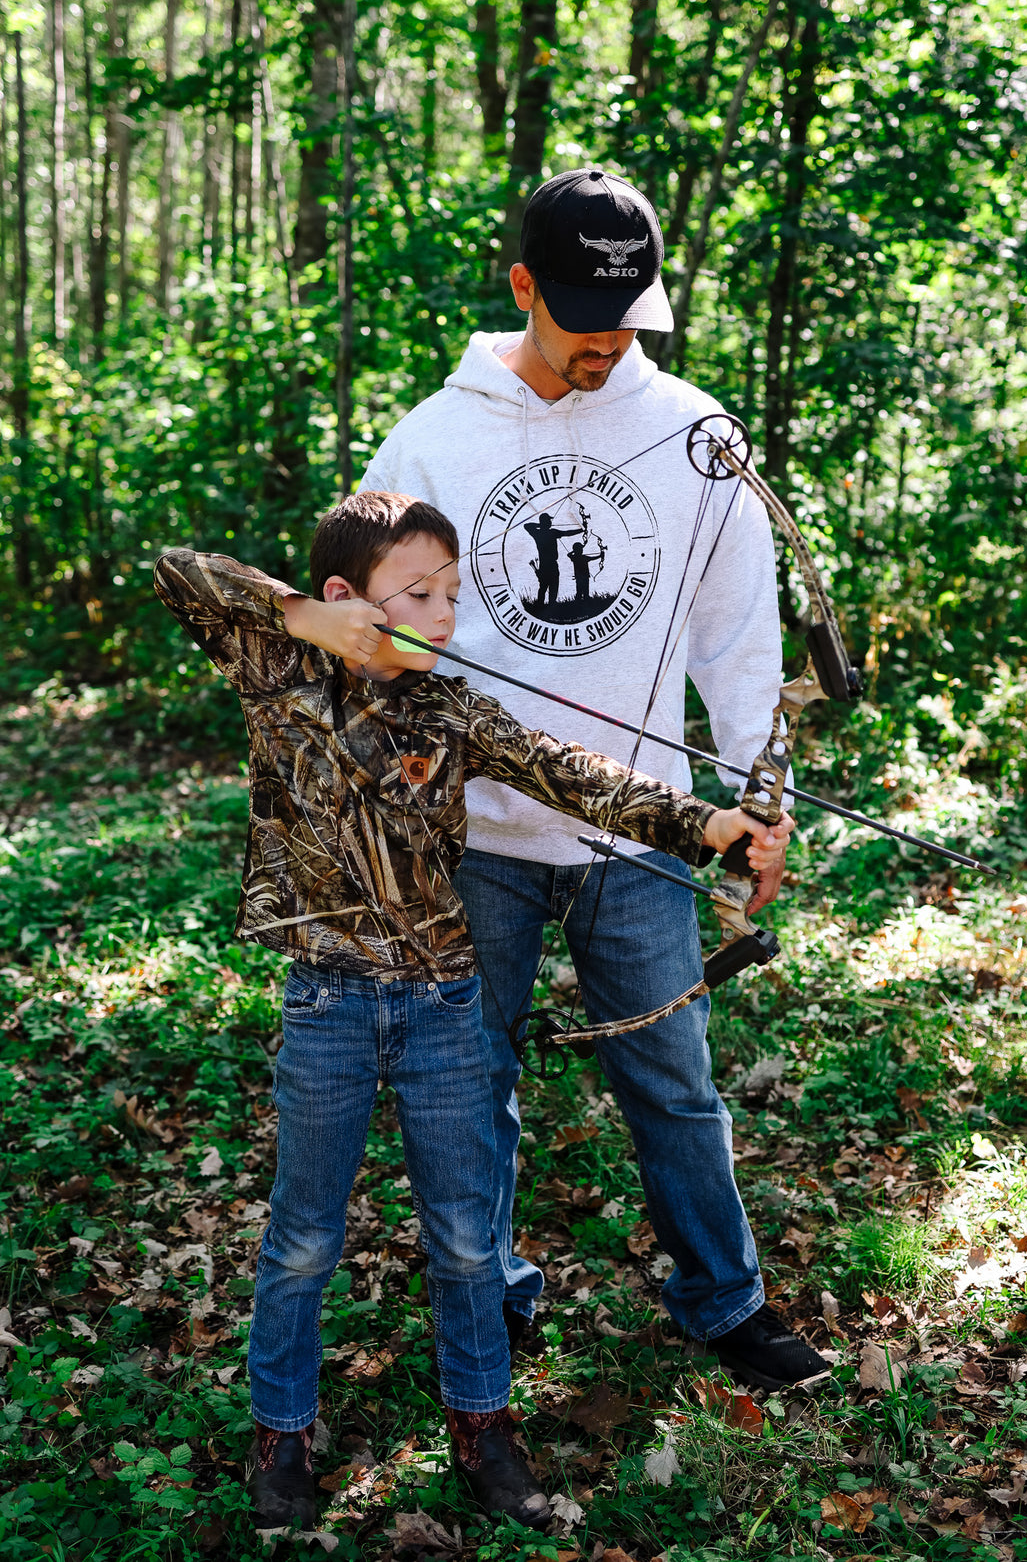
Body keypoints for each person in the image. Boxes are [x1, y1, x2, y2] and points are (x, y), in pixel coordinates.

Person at [154, 491, 793, 1537]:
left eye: (452, 593)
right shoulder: (279, 674)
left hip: (448, 1002)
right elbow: (176, 566)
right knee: (305, 1237)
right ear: (345, 596)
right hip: (328, 1003)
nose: (445, 614)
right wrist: (299, 618)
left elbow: (575, 774)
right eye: (418, 594)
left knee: (462, 1237)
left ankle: (485, 1428)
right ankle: (281, 1432)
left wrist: (708, 820)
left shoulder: (451, 708)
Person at [359, 169, 830, 1393]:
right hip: (478, 832)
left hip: (646, 828)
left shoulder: (694, 428)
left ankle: (724, 1300)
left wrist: (756, 802)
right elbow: (370, 628)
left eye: (625, 314)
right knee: (478, 1080)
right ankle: (492, 1290)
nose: (606, 343)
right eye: (579, 316)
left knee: (675, 1078)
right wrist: (390, 730)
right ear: (523, 287)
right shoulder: (430, 438)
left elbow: (741, 634)